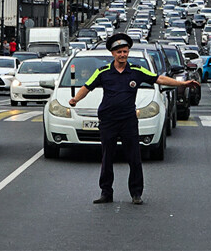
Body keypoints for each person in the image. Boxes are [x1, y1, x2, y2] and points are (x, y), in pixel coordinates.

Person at [68, 33, 199, 205]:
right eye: (119, 52)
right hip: (108, 120)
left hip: (128, 120)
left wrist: (182, 84)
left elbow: (158, 79)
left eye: (125, 51)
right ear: (112, 54)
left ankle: (136, 193)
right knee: (107, 157)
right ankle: (106, 192)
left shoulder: (136, 71)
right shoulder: (103, 72)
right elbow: (87, 87)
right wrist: (75, 99)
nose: (122, 55)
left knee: (134, 157)